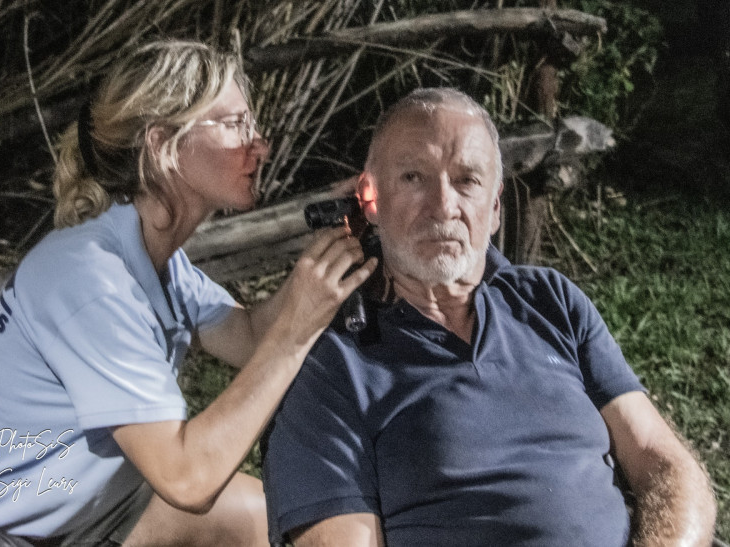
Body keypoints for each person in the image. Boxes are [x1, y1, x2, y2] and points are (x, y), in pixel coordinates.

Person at [0, 40, 377, 546]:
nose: (260, 145)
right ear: (163, 145)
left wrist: (335, 245)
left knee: (273, 522)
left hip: (85, 515)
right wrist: (296, 330)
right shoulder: (91, 281)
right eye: (235, 124)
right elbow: (187, 479)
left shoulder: (157, 262)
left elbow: (251, 335)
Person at [261, 87, 717, 546]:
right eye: (414, 178)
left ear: (495, 206)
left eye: (467, 181)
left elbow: (665, 463)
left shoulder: (550, 301)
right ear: (370, 200)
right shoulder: (331, 362)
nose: (444, 206)